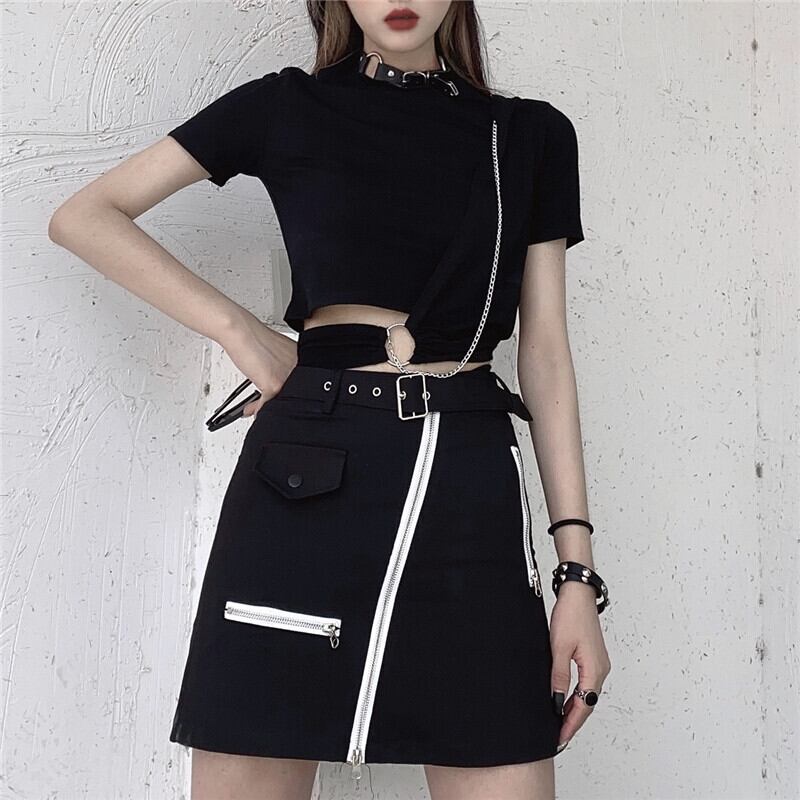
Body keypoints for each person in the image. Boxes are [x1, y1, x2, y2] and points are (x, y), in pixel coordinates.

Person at [48, 1, 612, 798]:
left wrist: (576, 576)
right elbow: (85, 217)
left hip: (466, 494)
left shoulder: (529, 136)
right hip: (303, 484)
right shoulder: (285, 107)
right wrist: (243, 333)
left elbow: (546, 355)